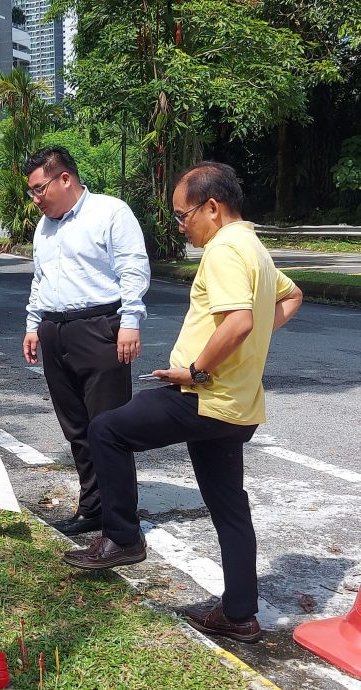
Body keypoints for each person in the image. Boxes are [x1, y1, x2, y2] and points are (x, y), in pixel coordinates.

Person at [62, 161, 304, 643]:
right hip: (236, 407)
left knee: (106, 430)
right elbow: (291, 296)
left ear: (212, 208)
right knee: (229, 507)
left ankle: (124, 538)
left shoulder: (224, 250)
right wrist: (247, 347)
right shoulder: (254, 246)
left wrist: (198, 369)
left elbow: (237, 322)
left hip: (203, 395)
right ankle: (239, 614)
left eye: (183, 214)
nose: (181, 224)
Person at [21, 146, 150, 536]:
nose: (35, 199)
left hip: (100, 329)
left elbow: (132, 268)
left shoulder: (110, 212)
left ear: (65, 179)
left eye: (39, 189)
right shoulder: (45, 227)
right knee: (76, 428)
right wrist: (33, 323)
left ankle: (121, 520)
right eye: (31, 192)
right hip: (55, 330)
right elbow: (40, 278)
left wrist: (130, 322)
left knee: (108, 426)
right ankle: (93, 507)